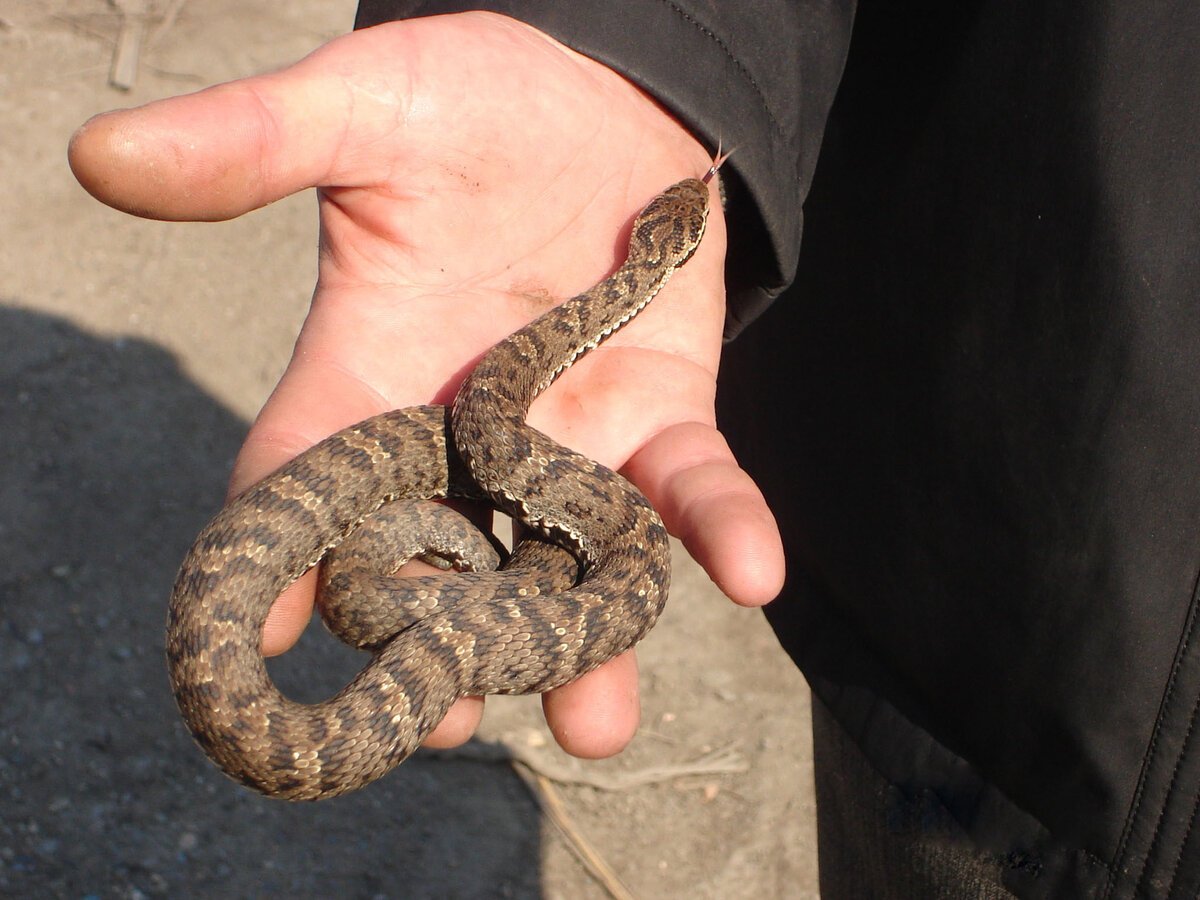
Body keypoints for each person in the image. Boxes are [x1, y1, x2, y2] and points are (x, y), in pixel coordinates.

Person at [69, 3, 1200, 898]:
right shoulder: (544, 373)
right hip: (1013, 746)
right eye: (684, 221)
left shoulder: (565, 424)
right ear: (650, 267)